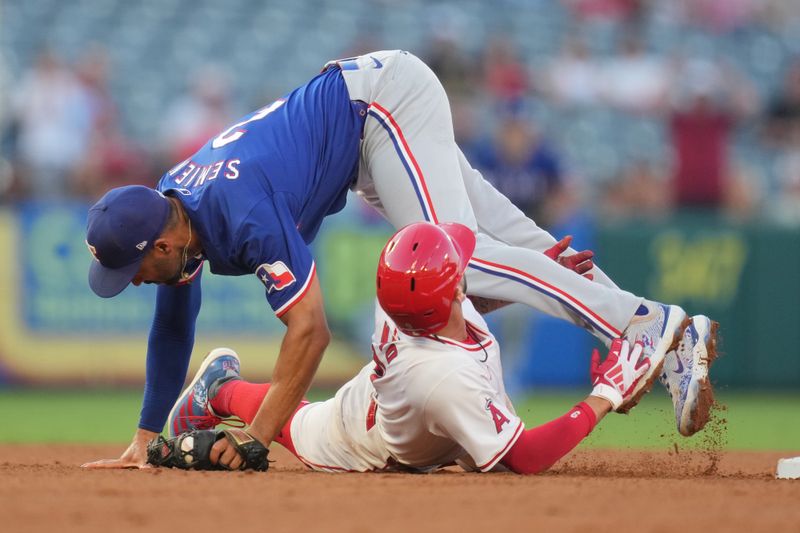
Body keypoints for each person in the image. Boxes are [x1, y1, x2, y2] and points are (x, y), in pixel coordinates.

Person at [82, 50, 716, 469]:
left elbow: (310, 330)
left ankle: (644, 326)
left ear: (161, 245)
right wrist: (145, 436)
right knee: (517, 244)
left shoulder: (238, 209)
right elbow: (173, 322)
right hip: (365, 135)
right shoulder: (173, 212)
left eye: (130, 268)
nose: (130, 281)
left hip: (380, 107)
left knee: (457, 265)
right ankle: (668, 338)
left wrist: (257, 435)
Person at [162, 222, 655, 473]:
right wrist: (606, 395)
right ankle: (221, 390)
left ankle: (220, 387)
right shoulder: (445, 375)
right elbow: (523, 458)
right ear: (454, 291)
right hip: (362, 444)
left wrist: (534, 282)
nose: (464, 270)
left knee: (304, 412)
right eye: (460, 268)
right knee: (299, 424)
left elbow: (460, 296)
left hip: (388, 397)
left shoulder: (404, 299)